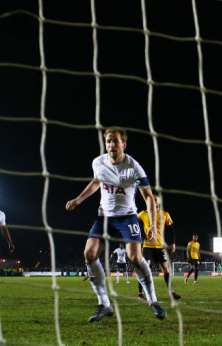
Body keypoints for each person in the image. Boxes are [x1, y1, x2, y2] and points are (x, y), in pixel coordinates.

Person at [65, 127, 167, 322]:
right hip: (104, 217)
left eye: (116, 141)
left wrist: (152, 225)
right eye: (109, 141)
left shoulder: (134, 167)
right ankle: (104, 304)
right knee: (89, 254)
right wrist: (79, 199)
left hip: (127, 217)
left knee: (135, 257)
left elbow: (148, 197)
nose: (112, 144)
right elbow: (97, 181)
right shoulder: (98, 162)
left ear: (124, 145)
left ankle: (153, 301)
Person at [137, 194, 181, 300]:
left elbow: (172, 229)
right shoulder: (143, 213)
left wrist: (173, 243)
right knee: (144, 269)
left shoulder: (165, 214)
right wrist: (140, 235)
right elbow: (134, 223)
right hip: (148, 246)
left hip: (160, 247)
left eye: (155, 200)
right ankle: (141, 294)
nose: (153, 201)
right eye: (152, 200)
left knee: (166, 269)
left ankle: (171, 292)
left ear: (159, 202)